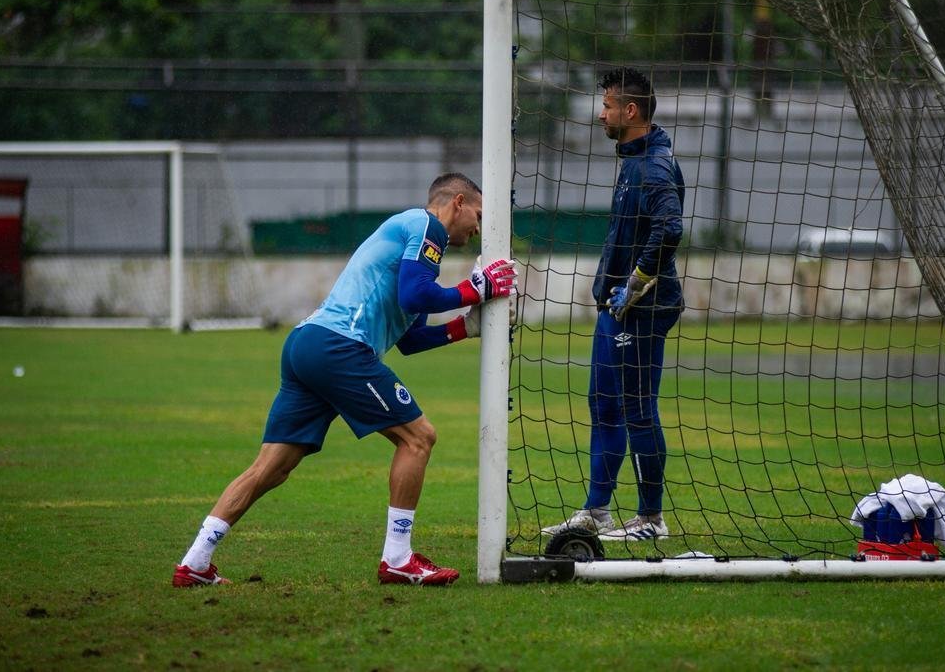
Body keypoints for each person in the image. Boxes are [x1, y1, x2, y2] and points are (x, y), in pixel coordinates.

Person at [173, 173, 516, 587]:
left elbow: (409, 338)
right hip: (338, 347)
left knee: (272, 468)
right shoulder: (427, 227)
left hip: (306, 345)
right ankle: (398, 559)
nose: (479, 228)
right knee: (418, 438)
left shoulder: (416, 252)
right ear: (457, 202)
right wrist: (476, 287)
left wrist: (467, 327)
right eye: (478, 215)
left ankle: (195, 561)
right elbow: (416, 296)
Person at [543, 67, 685, 542]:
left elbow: (670, 229)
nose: (600, 114)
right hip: (614, 308)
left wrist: (640, 281)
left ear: (630, 111)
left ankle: (651, 519)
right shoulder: (633, 160)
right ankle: (597, 510)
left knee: (638, 408)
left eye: (606, 106)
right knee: (603, 403)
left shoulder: (654, 166)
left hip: (641, 311)